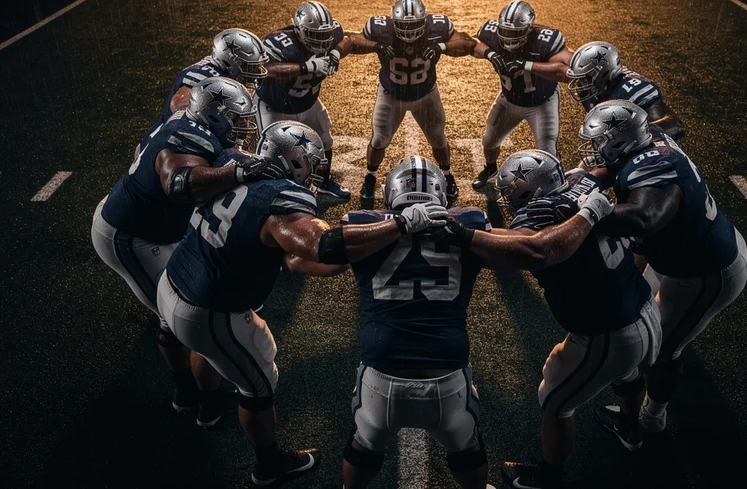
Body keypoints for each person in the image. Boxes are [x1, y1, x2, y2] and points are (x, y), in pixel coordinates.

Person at [158, 122, 449, 485]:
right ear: (294, 162)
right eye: (309, 163)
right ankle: (269, 464)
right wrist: (400, 225)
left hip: (174, 281)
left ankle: (207, 405)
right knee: (258, 386)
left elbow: (290, 258)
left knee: (218, 350)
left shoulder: (231, 162)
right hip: (209, 309)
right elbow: (322, 246)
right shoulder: (283, 202)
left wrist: (353, 259)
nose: (313, 171)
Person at [535, 101, 747, 443]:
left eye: (599, 142)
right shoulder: (649, 138)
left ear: (620, 141)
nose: (593, 150)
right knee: (635, 314)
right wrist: (585, 180)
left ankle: (652, 419)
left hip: (706, 272)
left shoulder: (652, 171)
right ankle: (631, 393)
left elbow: (645, 218)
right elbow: (623, 168)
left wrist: (584, 211)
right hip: (686, 254)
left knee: (663, 349)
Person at [91, 77, 269, 422]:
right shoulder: (189, 136)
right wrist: (238, 173)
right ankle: (193, 395)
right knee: (177, 316)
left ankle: (198, 391)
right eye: (235, 118)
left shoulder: (189, 119)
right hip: (130, 236)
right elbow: (177, 182)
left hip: (153, 226)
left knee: (185, 306)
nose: (242, 126)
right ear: (213, 116)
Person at [485, 152, 661, 487]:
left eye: (512, 192)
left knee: (554, 400)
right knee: (628, 372)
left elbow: (520, 248)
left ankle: (548, 477)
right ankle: (629, 426)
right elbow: (600, 171)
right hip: (645, 310)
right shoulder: (583, 183)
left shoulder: (536, 214)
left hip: (608, 333)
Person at [340, 157, 491, 489]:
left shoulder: (360, 225)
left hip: (381, 376)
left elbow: (320, 255)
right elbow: (510, 253)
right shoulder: (471, 221)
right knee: (468, 447)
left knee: (363, 443)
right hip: (447, 377)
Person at [349, 0, 476, 205]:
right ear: (393, 22)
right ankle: (370, 176)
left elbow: (468, 43)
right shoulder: (380, 28)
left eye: (415, 25)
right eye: (403, 26)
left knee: (438, 138)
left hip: (426, 94)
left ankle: (447, 174)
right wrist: (375, 46)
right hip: (391, 95)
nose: (409, 31)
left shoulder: (438, 27)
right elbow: (352, 41)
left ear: (425, 21)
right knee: (379, 139)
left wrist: (441, 46)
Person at [471, 0, 573, 190]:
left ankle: (557, 187)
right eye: (506, 32)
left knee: (547, 151)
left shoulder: (545, 41)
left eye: (515, 33)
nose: (509, 38)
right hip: (509, 99)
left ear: (528, 30)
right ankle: (490, 169)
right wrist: (491, 54)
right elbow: (473, 45)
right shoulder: (491, 33)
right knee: (489, 140)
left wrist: (526, 65)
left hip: (541, 103)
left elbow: (566, 72)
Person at [257, 1, 352, 200]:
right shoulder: (281, 43)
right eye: (315, 35)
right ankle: (270, 193)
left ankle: (324, 182)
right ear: (299, 31)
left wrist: (336, 53)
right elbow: (263, 71)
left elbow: (348, 40)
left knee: (325, 140)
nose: (322, 41)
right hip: (274, 105)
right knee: (272, 152)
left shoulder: (331, 34)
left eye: (325, 35)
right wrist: (304, 68)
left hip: (308, 102)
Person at [566, 41, 684, 140]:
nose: (579, 84)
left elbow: (674, 125)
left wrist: (627, 139)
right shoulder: (593, 88)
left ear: (603, 74)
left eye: (584, 78)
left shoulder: (633, 91)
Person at [157, 28, 268, 128]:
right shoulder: (204, 75)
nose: (258, 71)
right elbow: (180, 103)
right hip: (169, 143)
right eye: (250, 66)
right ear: (231, 61)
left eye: (258, 65)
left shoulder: (222, 66)